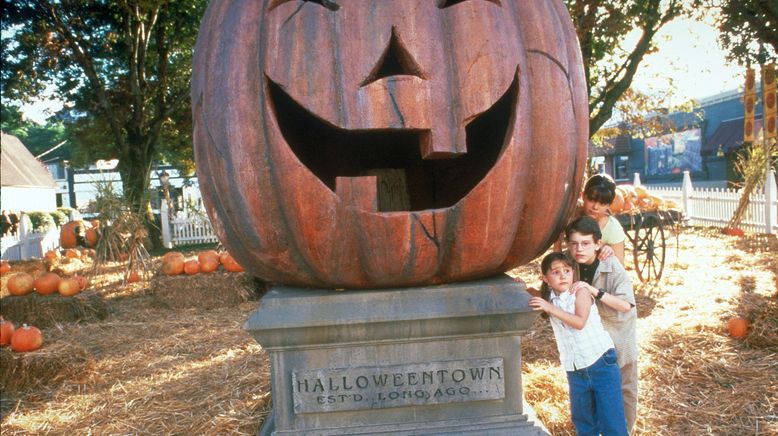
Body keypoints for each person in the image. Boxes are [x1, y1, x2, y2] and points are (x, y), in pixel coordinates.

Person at [528, 251, 628, 436]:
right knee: (583, 421)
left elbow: (579, 322)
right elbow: (534, 294)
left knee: (611, 422)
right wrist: (521, 287)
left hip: (600, 363)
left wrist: (549, 307)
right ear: (545, 278)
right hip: (575, 368)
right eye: (556, 272)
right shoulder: (549, 296)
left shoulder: (580, 292)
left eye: (567, 270)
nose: (563, 275)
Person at [566, 216, 638, 433]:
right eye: (574, 243)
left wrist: (594, 291)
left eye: (586, 243)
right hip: (590, 338)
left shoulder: (611, 264)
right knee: (593, 388)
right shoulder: (569, 265)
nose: (579, 249)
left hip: (617, 332)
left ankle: (626, 429)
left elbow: (626, 305)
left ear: (598, 244)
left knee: (624, 387)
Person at [556, 173, 626, 265]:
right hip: (573, 271)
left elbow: (619, 268)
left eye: (602, 203)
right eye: (592, 200)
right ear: (583, 196)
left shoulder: (613, 229)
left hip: (601, 274)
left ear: (609, 205)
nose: (595, 207)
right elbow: (557, 251)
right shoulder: (571, 216)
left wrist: (606, 249)